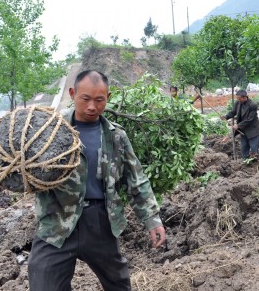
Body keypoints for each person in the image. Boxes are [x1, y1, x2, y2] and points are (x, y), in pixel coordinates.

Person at [28, 70, 166, 291]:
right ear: (73, 93)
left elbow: (136, 180)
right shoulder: (49, 130)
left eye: (99, 100)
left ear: (107, 98)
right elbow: (23, 167)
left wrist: (152, 220)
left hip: (100, 221)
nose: (92, 106)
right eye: (86, 99)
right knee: (43, 283)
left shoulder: (116, 137)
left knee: (119, 285)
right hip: (56, 222)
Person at [223, 89, 259, 160]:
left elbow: (250, 120)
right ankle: (245, 162)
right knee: (244, 149)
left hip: (252, 130)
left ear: (245, 97)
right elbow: (233, 112)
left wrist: (238, 125)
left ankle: (254, 163)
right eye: (237, 99)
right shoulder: (238, 103)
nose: (238, 100)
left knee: (254, 149)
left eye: (240, 99)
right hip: (243, 130)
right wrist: (226, 116)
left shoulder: (253, 105)